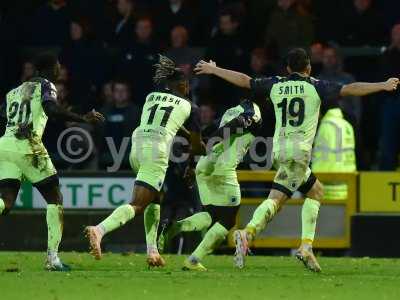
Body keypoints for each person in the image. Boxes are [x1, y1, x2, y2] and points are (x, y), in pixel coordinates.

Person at [194, 48, 399, 272]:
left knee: (316, 191)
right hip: (298, 153)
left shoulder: (275, 83)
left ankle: (306, 247)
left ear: (288, 68)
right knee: (277, 199)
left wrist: (214, 70)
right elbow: (351, 88)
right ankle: (247, 233)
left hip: (278, 149)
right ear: (308, 67)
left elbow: (245, 81)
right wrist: (382, 84)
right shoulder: (316, 86)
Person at [85, 55, 205, 267]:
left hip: (136, 148)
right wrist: (192, 164)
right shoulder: (190, 106)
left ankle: (152, 252)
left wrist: (186, 136)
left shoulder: (151, 96)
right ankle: (99, 230)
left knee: (155, 198)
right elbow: (196, 144)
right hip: (156, 151)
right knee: (138, 204)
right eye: (187, 85)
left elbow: (166, 120)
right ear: (183, 85)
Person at [0, 53, 104, 271]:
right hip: (28, 145)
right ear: (47, 69)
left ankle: (52, 258)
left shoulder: (14, 91)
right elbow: (51, 109)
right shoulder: (46, 85)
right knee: (55, 198)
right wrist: (82, 118)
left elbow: (3, 113)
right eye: (57, 66)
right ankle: (52, 259)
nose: (60, 69)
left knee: (6, 202)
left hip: (6, 145)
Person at [158, 99, 262, 271]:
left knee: (212, 216)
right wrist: (214, 140)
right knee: (228, 220)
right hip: (223, 169)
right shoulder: (253, 111)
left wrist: (191, 166)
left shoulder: (230, 110)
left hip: (204, 167)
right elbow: (235, 125)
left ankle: (176, 225)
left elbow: (203, 135)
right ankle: (193, 260)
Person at [312, 106, 356, 200]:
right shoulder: (347, 125)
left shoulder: (326, 126)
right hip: (345, 188)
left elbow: (322, 162)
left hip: (328, 190)